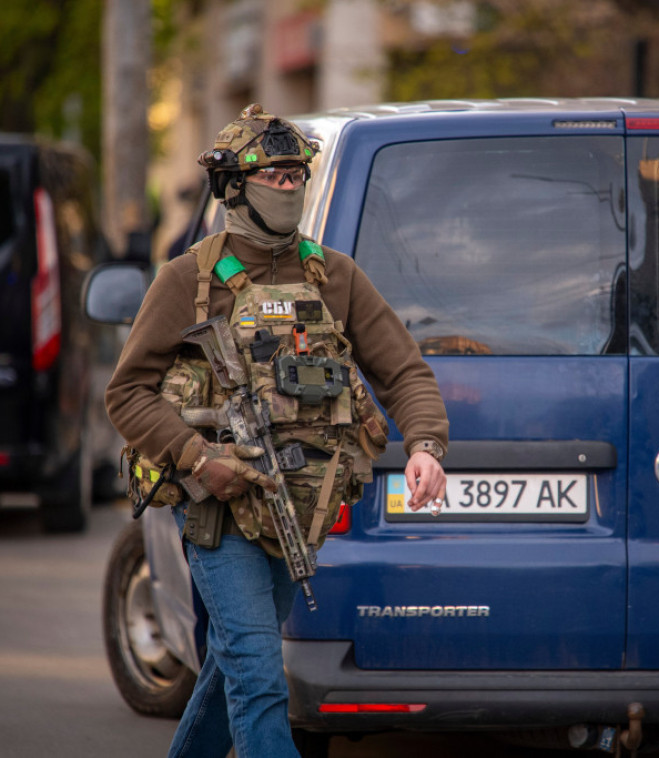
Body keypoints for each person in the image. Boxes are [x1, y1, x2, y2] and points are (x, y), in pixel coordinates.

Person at [105, 104, 449, 758]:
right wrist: (195, 456)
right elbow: (125, 393)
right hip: (218, 512)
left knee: (230, 667)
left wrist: (426, 446)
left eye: (298, 176)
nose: (290, 188)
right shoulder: (188, 282)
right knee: (261, 678)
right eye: (275, 176)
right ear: (235, 185)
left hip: (298, 504)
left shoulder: (335, 276)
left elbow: (405, 371)